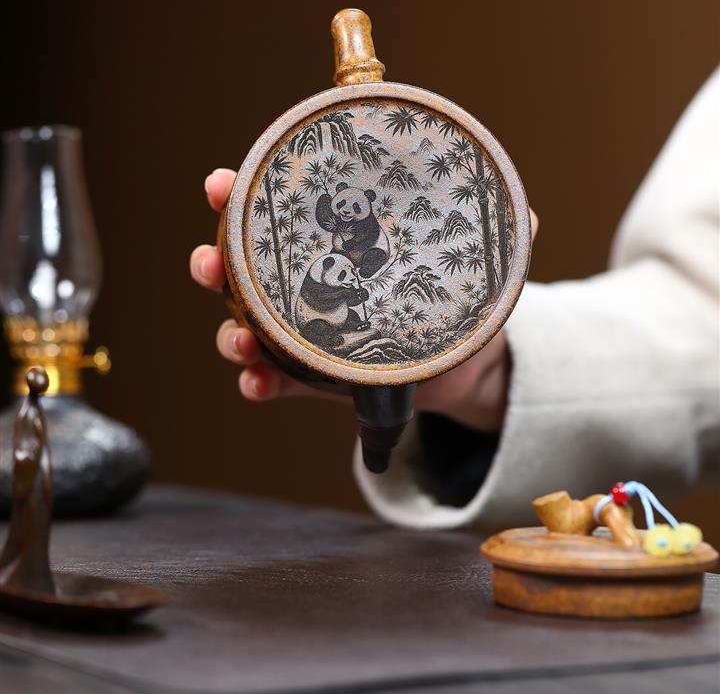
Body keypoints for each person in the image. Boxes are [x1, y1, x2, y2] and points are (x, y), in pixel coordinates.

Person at [190, 71, 719, 530]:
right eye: (341, 211)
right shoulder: (333, 240)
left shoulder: (369, 240)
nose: (348, 215)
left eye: (356, 208)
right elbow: (701, 308)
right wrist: (491, 370)